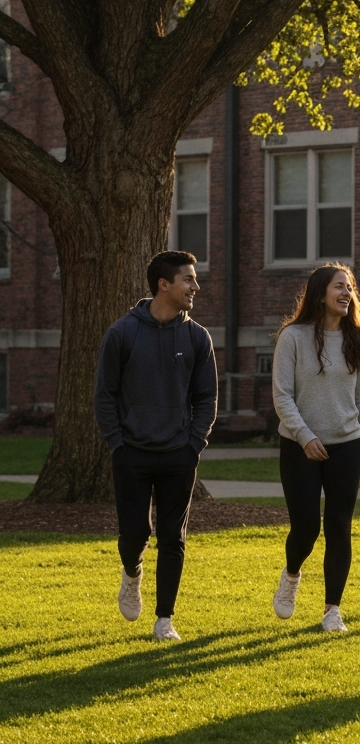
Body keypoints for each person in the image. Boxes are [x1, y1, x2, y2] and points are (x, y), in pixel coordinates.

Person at [94, 250, 217, 642]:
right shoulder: (122, 333)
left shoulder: (197, 337)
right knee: (134, 535)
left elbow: (206, 398)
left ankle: (165, 618)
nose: (195, 286)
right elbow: (104, 396)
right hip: (131, 453)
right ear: (164, 284)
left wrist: (193, 443)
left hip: (178, 454)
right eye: (188, 279)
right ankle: (132, 572)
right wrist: (118, 443)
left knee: (173, 536)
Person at [271, 264, 360, 633]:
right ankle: (291, 574)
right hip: (299, 447)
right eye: (339, 287)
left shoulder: (357, 339)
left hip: (345, 445)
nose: (347, 293)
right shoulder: (293, 337)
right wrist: (305, 436)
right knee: (305, 530)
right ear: (320, 294)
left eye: (350, 287)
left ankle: (333, 609)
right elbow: (282, 396)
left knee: (339, 526)